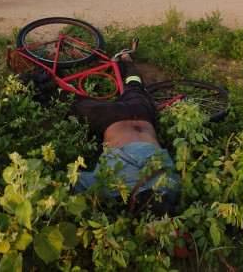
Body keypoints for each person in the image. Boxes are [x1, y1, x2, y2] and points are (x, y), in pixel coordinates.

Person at [70, 53, 181, 217]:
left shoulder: (173, 186)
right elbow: (74, 182)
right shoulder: (113, 188)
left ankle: (127, 60)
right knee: (68, 101)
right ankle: (41, 82)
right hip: (111, 118)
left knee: (135, 86)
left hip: (142, 114)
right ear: (134, 202)